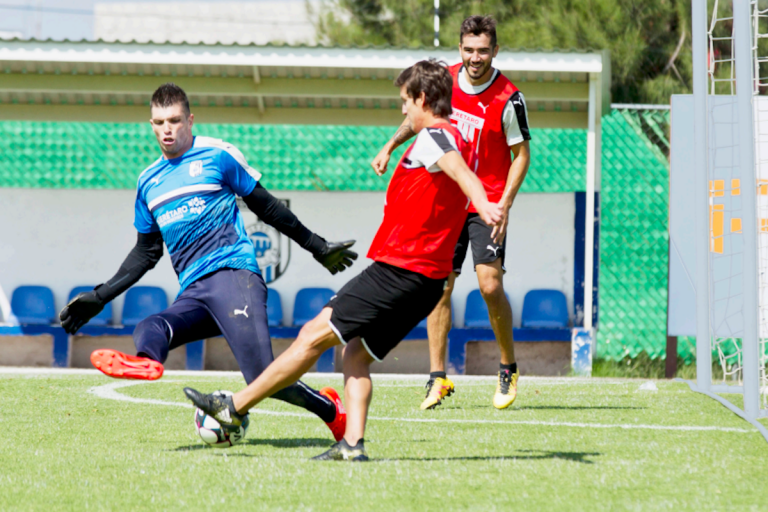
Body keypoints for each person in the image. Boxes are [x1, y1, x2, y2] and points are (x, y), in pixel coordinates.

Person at [184, 59, 504, 461]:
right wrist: (392, 147)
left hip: (399, 271)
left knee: (311, 336)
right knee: (354, 354)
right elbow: (457, 166)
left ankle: (232, 407)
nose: (403, 110)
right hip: (427, 282)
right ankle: (352, 445)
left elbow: (458, 170)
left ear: (423, 99)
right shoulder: (452, 135)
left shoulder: (435, 139)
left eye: (406, 101)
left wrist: (483, 203)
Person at [59, 83, 356, 441]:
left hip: (235, 277)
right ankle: (147, 361)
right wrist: (102, 295)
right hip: (195, 292)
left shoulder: (218, 155)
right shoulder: (148, 182)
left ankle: (331, 409)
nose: (167, 129)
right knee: (151, 326)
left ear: (190, 119)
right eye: (158, 122)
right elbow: (147, 251)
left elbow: (268, 206)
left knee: (262, 376)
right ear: (151, 124)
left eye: (174, 120)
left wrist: (318, 246)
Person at [371, 15, 532, 411]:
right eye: (468, 49)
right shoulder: (444, 80)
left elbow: (522, 154)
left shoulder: (509, 97)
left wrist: (505, 205)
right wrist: (389, 146)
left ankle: (508, 366)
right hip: (449, 198)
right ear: (460, 49)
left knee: (490, 285)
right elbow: (418, 116)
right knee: (438, 284)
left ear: (495, 50)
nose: (475, 57)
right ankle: (437, 377)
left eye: (483, 50)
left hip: (487, 202)